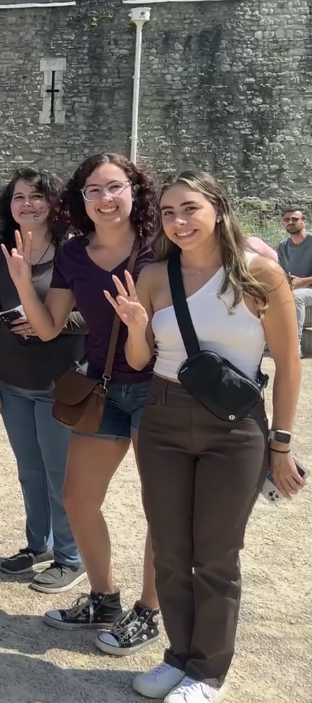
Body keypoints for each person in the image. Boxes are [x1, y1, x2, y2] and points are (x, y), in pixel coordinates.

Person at [109, 171, 304, 703]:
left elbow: (288, 365)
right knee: (171, 549)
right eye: (169, 213)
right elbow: (139, 361)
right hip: (164, 415)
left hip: (234, 427)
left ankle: (208, 670)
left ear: (217, 208)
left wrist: (281, 444)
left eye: (189, 208)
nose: (178, 222)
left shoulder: (261, 274)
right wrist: (132, 326)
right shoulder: (153, 276)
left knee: (216, 554)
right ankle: (178, 656)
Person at [3, 152, 161, 655]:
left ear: (135, 192)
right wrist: (26, 282)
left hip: (160, 388)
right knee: (77, 498)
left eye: (115, 187)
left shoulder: (159, 247)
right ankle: (104, 597)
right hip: (105, 385)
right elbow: (48, 328)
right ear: (81, 199)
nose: (105, 198)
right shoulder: (73, 255)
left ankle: (150, 612)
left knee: (159, 505)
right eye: (94, 190)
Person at [0, 167, 85, 592]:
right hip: (14, 376)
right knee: (29, 469)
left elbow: (98, 315)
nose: (28, 204)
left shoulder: (74, 252)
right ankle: (39, 544)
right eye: (19, 197)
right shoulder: (2, 248)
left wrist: (53, 322)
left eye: (37, 196)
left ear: (53, 203)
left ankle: (72, 556)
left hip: (59, 379)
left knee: (59, 472)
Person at [277, 208, 312, 351]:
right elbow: (282, 272)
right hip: (293, 288)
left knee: (297, 297)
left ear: (303, 221)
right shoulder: (282, 246)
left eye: (294, 219)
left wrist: (304, 281)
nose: (290, 222)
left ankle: (293, 348)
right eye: (286, 220)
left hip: (308, 291)